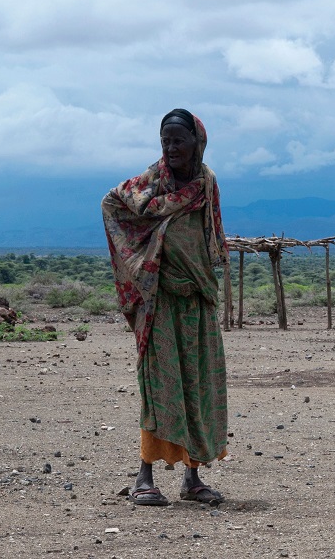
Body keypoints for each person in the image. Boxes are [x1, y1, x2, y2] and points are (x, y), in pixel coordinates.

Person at [101, 108, 230, 506]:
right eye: (165, 140)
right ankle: (144, 477)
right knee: (160, 386)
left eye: (178, 140)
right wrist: (142, 263)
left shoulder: (206, 183)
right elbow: (112, 204)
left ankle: (192, 478)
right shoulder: (150, 182)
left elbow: (210, 234)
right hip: (158, 301)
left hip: (197, 298)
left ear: (197, 143)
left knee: (198, 385)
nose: (171, 147)